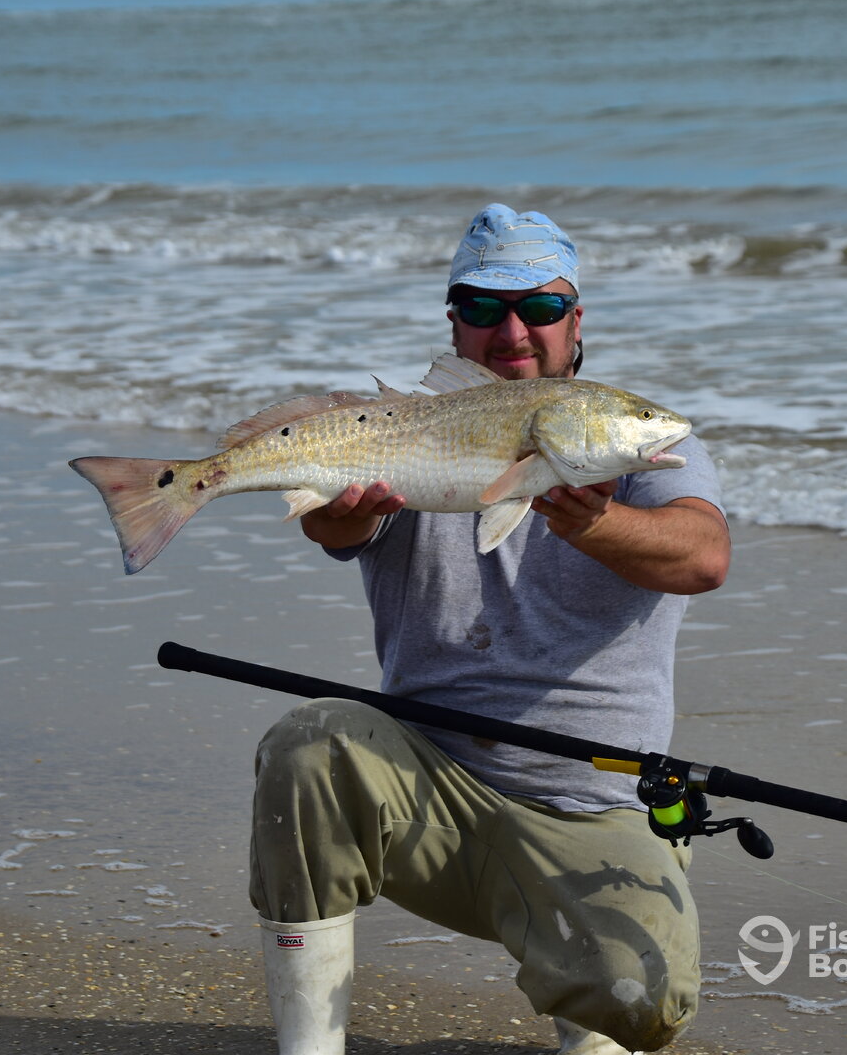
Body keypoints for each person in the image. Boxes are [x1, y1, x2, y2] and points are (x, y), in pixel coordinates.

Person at [248, 205, 731, 1055]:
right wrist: (340, 519)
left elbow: (701, 558)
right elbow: (336, 531)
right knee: (307, 742)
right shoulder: (406, 434)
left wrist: (592, 525)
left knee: (642, 1002)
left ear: (577, 322)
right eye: (483, 309)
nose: (513, 332)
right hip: (427, 799)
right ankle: (308, 1048)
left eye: (541, 310)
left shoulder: (641, 450)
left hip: (595, 804)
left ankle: (582, 972)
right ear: (454, 323)